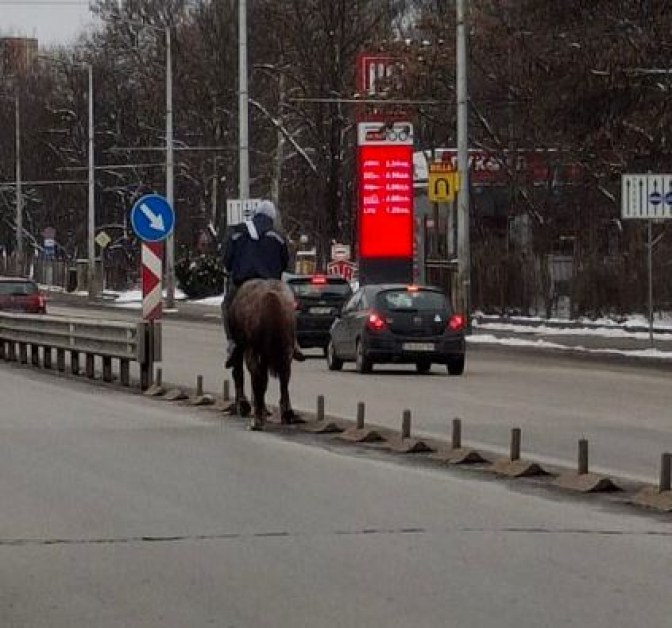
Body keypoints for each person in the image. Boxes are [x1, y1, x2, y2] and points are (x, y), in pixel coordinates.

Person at [221, 199, 305, 367]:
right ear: (272, 217)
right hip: (272, 283)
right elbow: (284, 261)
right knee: (290, 305)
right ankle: (293, 341)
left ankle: (232, 342)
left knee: (227, 306)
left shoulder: (238, 232)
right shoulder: (278, 236)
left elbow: (227, 260)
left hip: (243, 281)